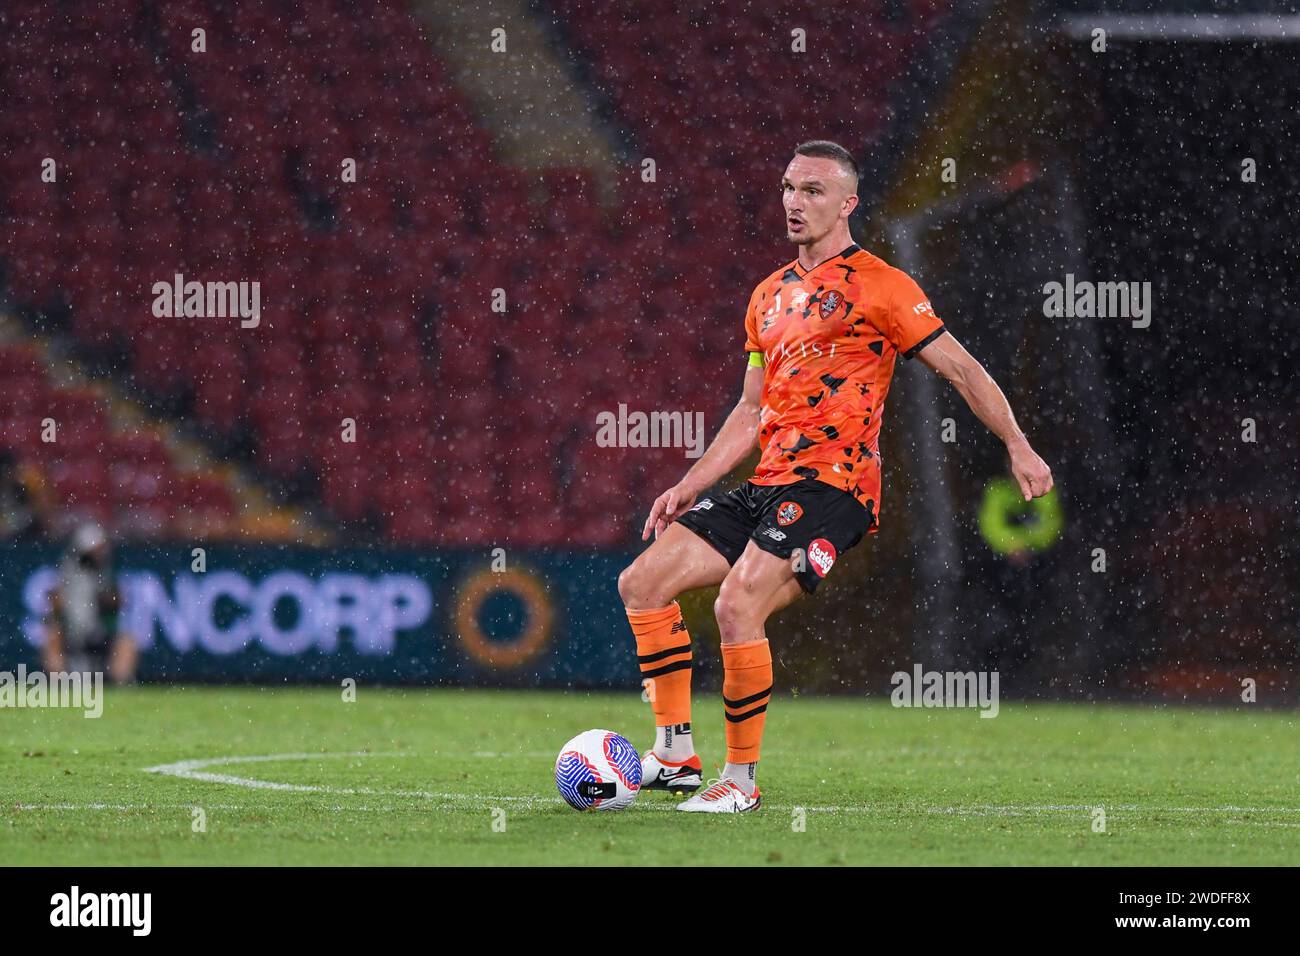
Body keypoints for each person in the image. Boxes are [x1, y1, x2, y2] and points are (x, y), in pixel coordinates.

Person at [618, 140, 1053, 812]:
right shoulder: (767, 295)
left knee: (738, 606)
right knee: (642, 582)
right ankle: (675, 756)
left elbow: (963, 369)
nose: (795, 201)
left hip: (834, 487)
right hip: (769, 484)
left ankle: (739, 783)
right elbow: (750, 409)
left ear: (848, 203)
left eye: (814, 190)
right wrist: (690, 483)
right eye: (789, 187)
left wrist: (1018, 445)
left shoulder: (883, 286)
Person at [42, 522, 138, 683]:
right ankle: (58, 685)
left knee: (127, 642)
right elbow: (55, 604)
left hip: (100, 632)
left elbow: (119, 601)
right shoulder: (68, 573)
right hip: (72, 633)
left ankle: (120, 686)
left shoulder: (107, 573)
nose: (100, 553)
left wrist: (100, 598)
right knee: (52, 638)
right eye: (96, 549)